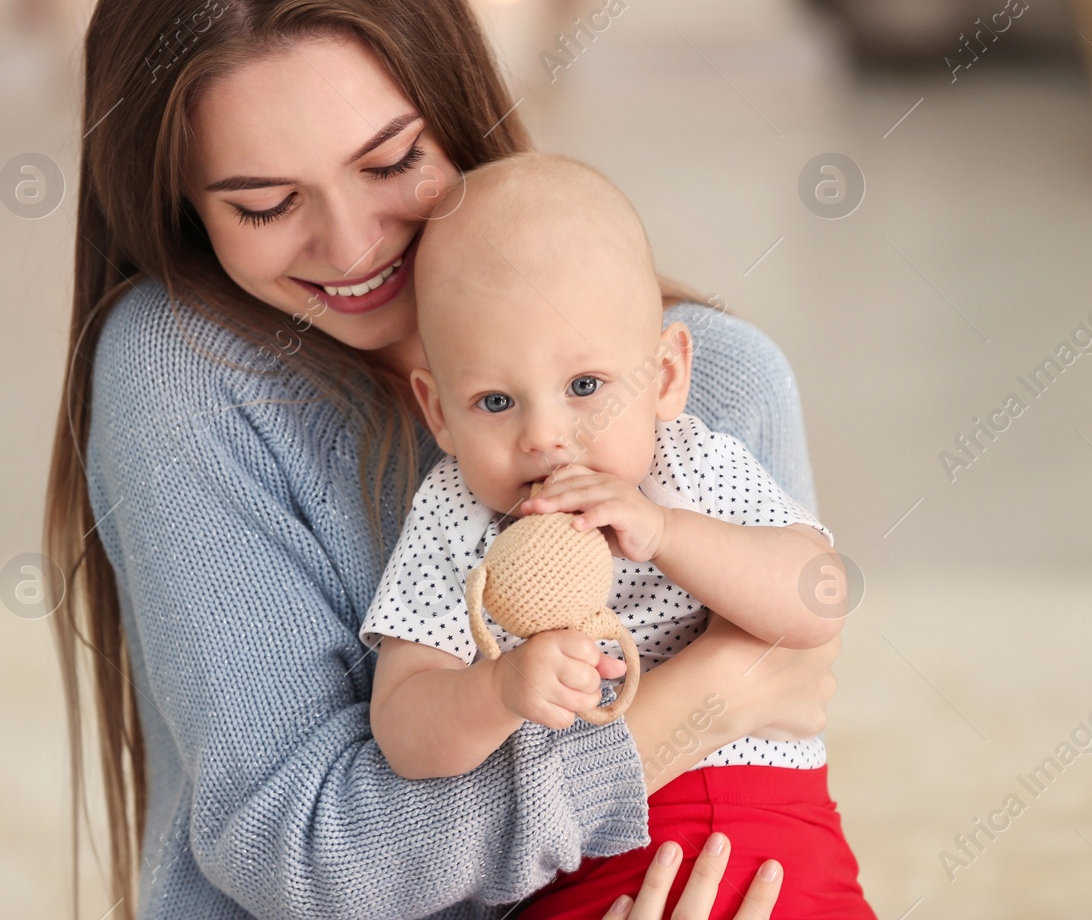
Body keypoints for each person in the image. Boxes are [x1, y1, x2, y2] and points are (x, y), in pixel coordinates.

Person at [43, 0, 839, 918]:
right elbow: (309, 853)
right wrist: (702, 699)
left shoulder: (719, 382)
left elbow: (792, 704)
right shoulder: (183, 374)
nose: (353, 241)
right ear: (186, 210)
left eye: (390, 161)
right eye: (266, 204)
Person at [361, 153, 877, 919]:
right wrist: (497, 690)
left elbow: (819, 600)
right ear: (439, 412)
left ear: (665, 376)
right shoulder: (453, 514)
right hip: (582, 860)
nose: (545, 436)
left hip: (776, 830)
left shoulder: (689, 462)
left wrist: (667, 532)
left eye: (585, 387)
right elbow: (403, 723)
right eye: (496, 399)